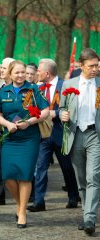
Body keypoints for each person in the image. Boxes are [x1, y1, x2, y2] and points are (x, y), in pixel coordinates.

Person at [0, 60, 49, 228]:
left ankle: (22, 212)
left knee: (25, 175)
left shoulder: (33, 90)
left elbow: (45, 111)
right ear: (10, 74)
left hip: (28, 139)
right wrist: (7, 124)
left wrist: (30, 122)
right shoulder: (4, 92)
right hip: (9, 139)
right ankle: (19, 204)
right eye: (16, 72)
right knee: (9, 177)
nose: (20, 75)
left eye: (22, 72)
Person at [27, 59, 79, 212]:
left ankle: (73, 196)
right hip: (43, 134)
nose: (37, 73)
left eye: (39, 71)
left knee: (67, 167)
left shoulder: (65, 86)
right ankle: (39, 201)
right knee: (40, 167)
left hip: (61, 133)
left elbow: (71, 108)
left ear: (47, 73)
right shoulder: (37, 88)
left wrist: (54, 113)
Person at [60, 48, 100, 236]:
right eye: (91, 66)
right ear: (81, 66)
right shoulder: (69, 84)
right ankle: (87, 214)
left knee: (94, 177)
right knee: (82, 179)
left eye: (97, 65)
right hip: (75, 135)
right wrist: (63, 114)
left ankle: (90, 218)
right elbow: (61, 108)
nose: (95, 69)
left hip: (95, 135)